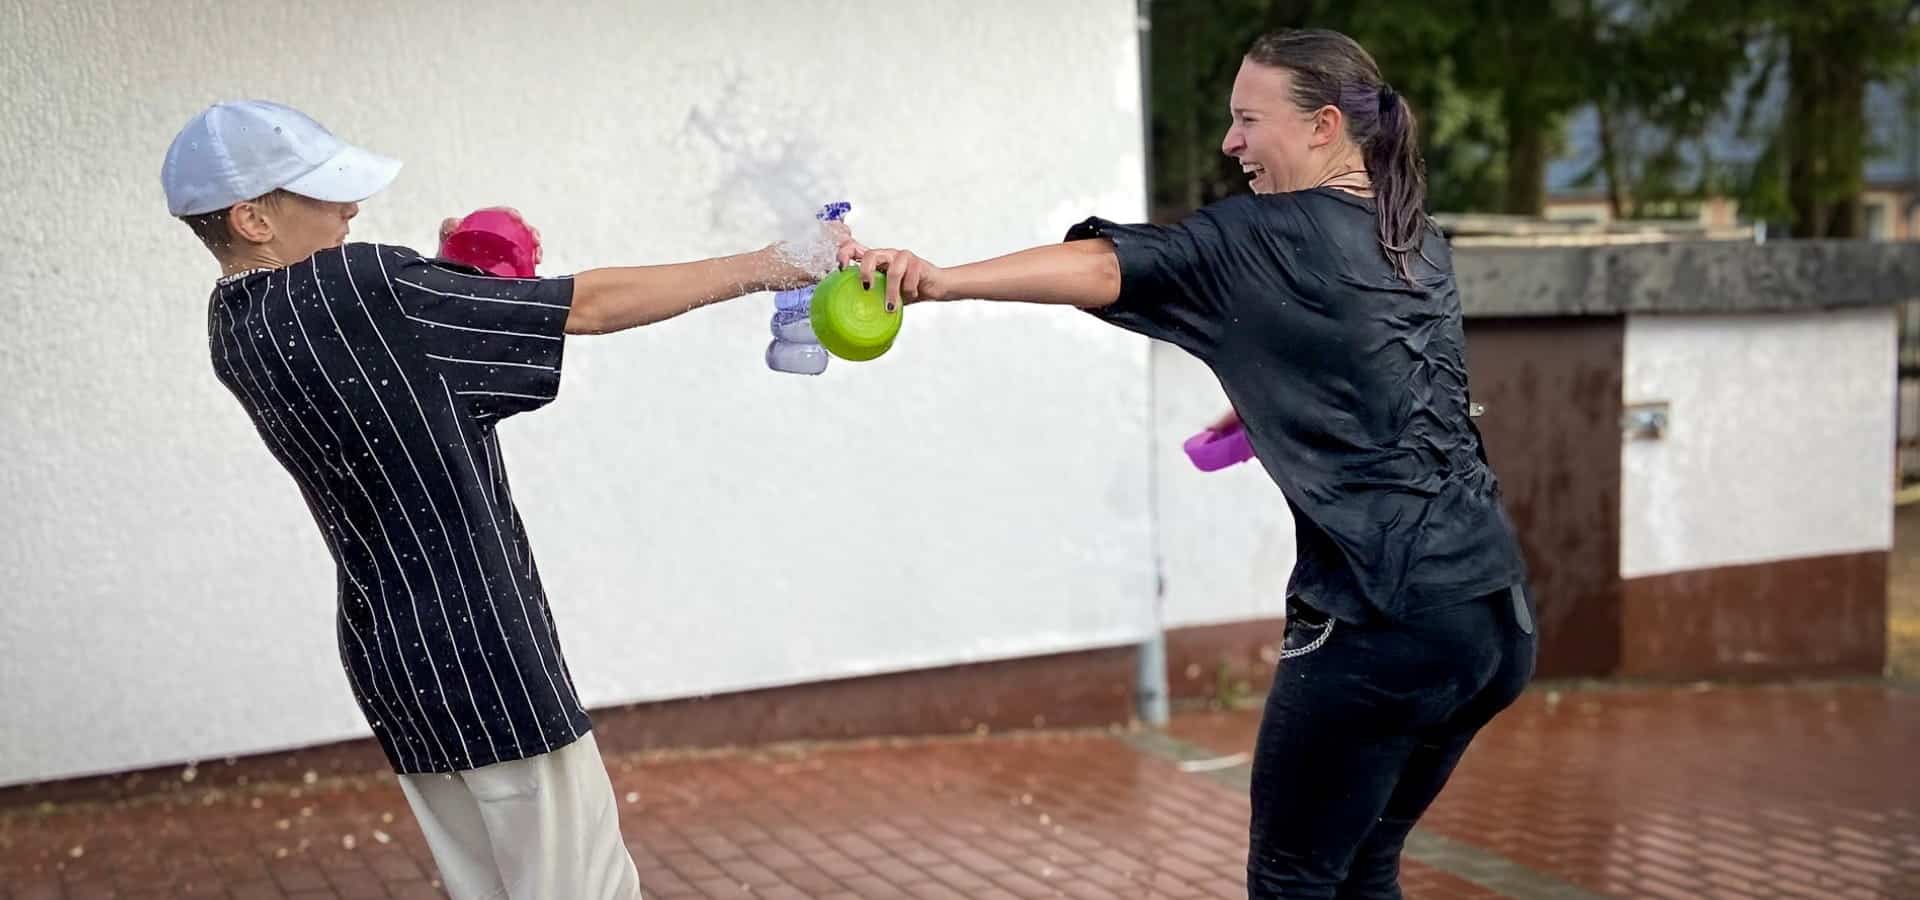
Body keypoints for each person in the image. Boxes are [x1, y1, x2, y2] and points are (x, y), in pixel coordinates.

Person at [846, 28, 1537, 900]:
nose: (1230, 143)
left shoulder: (1264, 236)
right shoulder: (1414, 238)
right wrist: (1266, 400)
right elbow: (1390, 379)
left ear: (1324, 126)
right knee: (1363, 868)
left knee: (1292, 880)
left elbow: (1111, 266)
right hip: (1490, 622)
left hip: (1380, 623)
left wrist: (941, 279)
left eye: (1248, 120)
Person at [163, 99, 857, 900]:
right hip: (485, 656)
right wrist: (775, 263)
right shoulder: (358, 285)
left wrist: (456, 280)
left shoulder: (235, 327)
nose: (350, 207)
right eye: (320, 193)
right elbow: (586, 306)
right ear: (253, 217)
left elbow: (401, 369)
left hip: (395, 660)